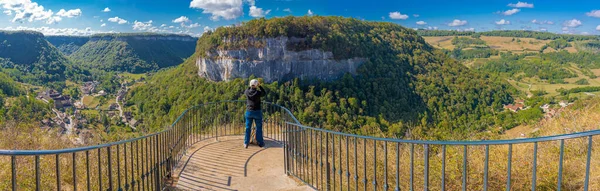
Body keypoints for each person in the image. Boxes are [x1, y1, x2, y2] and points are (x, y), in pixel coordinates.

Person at [244, 79, 266, 148]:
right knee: (258, 127)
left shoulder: (247, 92)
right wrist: (260, 86)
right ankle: (260, 142)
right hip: (257, 112)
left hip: (249, 112)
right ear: (256, 85)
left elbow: (246, 90)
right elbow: (264, 93)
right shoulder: (258, 93)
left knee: (248, 128)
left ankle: (246, 143)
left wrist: (250, 85)